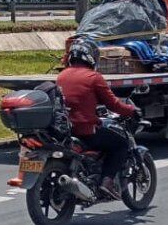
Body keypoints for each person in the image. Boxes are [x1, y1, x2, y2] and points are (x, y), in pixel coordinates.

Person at [56, 38, 138, 199]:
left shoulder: (62, 76)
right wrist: (131, 110)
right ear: (91, 57)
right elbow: (113, 104)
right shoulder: (94, 77)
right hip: (86, 131)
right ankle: (106, 182)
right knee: (121, 144)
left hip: (65, 129)